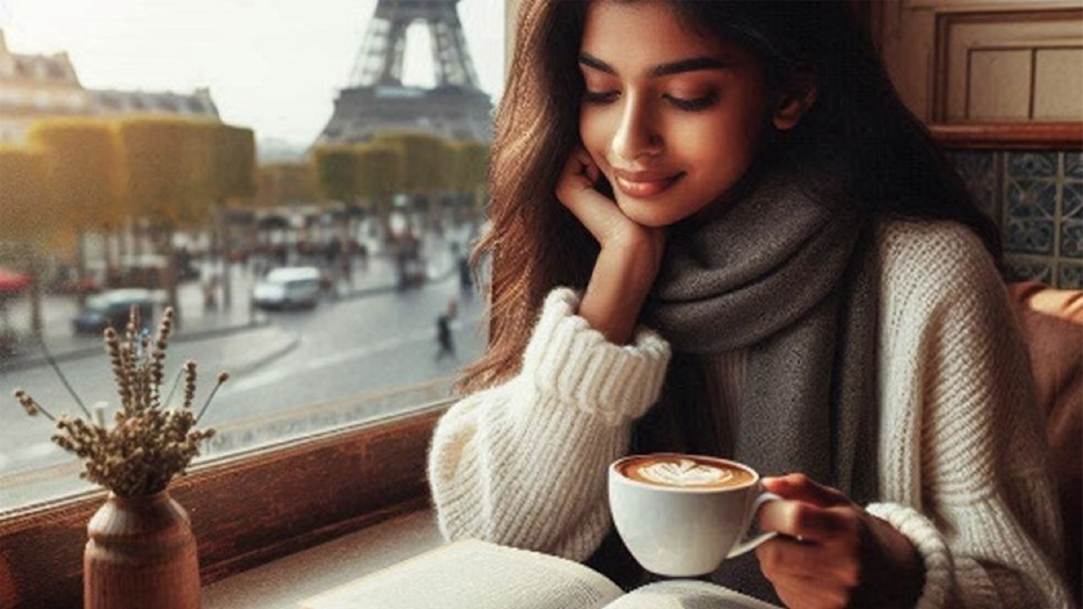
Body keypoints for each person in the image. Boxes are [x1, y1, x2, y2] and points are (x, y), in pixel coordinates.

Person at [427, 0, 1072, 606]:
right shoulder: (587, 249)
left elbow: (1033, 590)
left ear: (789, 93)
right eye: (601, 90)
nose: (627, 142)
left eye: (687, 96)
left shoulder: (931, 276)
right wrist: (617, 285)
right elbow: (500, 536)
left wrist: (901, 576)